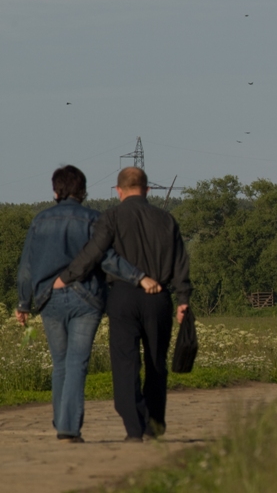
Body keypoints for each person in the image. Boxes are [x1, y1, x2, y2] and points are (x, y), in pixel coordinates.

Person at [15, 166, 160, 443]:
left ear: (55, 191)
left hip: (48, 297)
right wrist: (138, 277)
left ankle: (63, 424)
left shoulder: (39, 221)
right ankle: (69, 428)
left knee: (60, 364)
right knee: (77, 362)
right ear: (82, 191)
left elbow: (26, 267)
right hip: (86, 298)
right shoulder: (94, 219)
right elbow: (106, 258)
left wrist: (23, 303)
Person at [55, 167, 191, 442]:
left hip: (122, 297)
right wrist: (183, 299)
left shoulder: (112, 217)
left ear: (118, 191)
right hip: (159, 297)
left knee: (125, 364)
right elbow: (180, 262)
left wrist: (66, 277)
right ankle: (153, 425)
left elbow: (95, 252)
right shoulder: (166, 219)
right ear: (148, 189)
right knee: (156, 363)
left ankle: (133, 428)